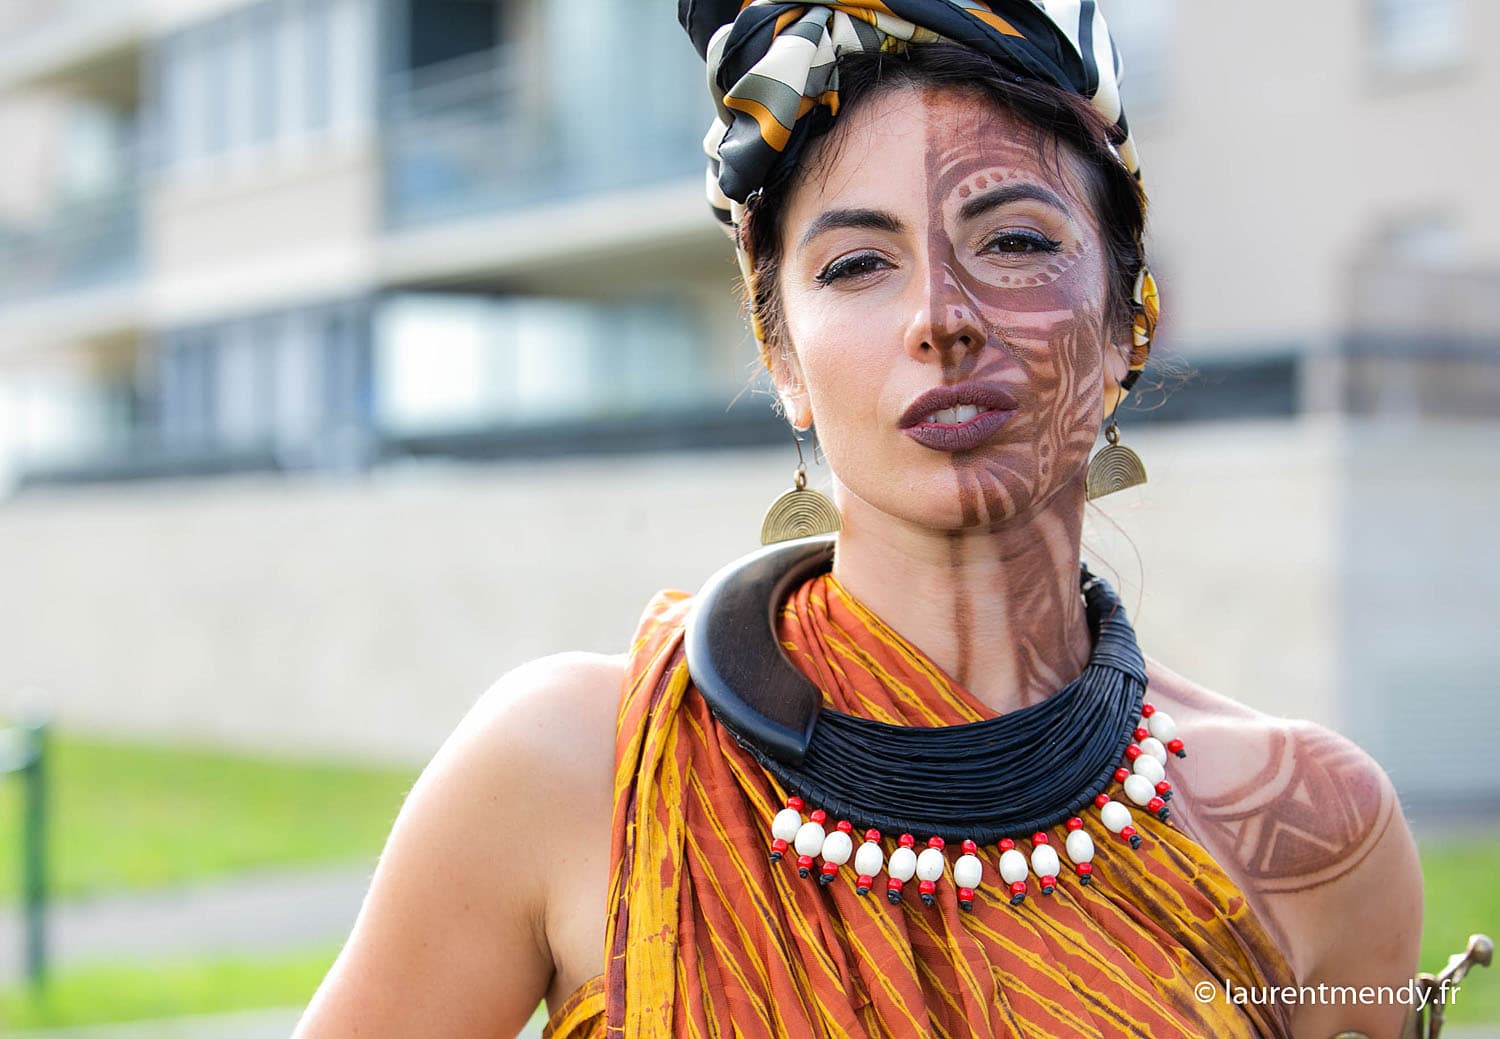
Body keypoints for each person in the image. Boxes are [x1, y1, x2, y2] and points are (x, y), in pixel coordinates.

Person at [294, 3, 1423, 1037]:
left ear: (1134, 315)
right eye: (857, 263)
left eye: (1017, 241)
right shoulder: (568, 767)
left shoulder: (1316, 832)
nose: (941, 318)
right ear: (779, 353)